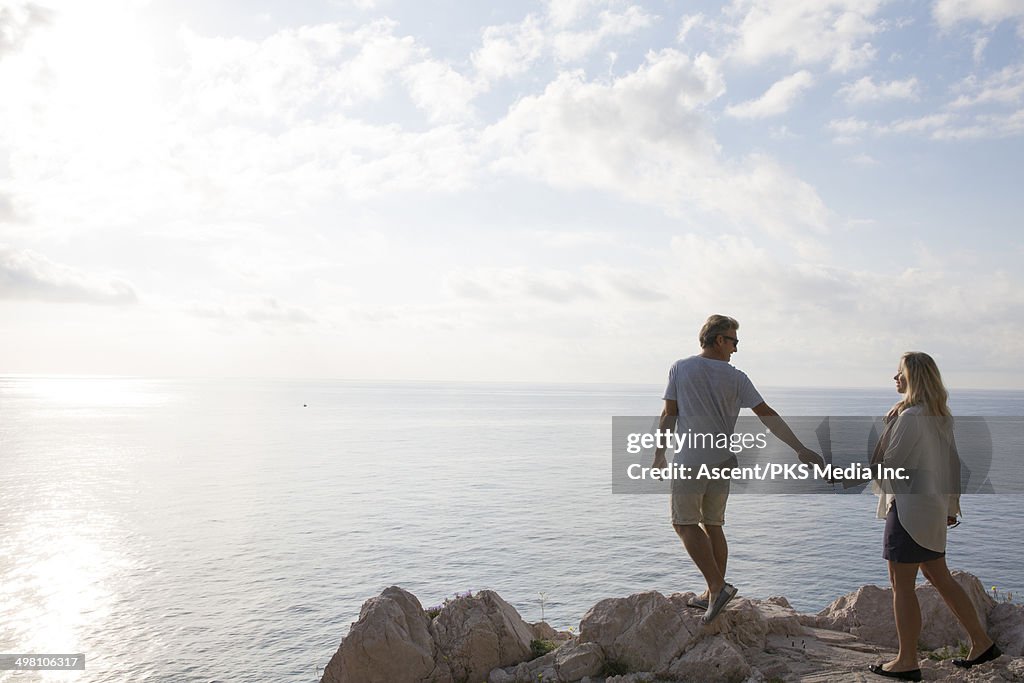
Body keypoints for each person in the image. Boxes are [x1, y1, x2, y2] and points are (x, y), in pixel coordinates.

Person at [652, 314, 823, 624]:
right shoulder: (737, 378)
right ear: (719, 340)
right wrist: (799, 448)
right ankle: (712, 592)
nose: (735, 349)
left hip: (692, 457)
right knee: (713, 524)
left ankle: (717, 588)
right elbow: (766, 414)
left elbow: (669, 414)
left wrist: (658, 454)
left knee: (684, 524)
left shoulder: (681, 368)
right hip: (722, 459)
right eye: (733, 341)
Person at [867, 352, 1001, 682]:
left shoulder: (911, 417)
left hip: (909, 511)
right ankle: (982, 642)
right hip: (931, 509)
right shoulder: (938, 415)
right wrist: (950, 508)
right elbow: (951, 467)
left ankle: (907, 661)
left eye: (899, 373)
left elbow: (888, 466)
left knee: (902, 585)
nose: (894, 378)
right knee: (940, 577)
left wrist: (888, 428)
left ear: (912, 377)